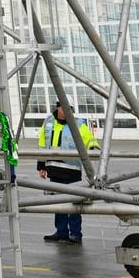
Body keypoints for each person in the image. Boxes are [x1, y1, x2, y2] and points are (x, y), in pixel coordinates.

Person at [37, 102, 96, 244]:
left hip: (72, 170)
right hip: (54, 169)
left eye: (70, 108)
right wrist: (41, 165)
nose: (67, 111)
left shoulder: (78, 124)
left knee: (74, 203)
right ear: (58, 106)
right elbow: (42, 144)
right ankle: (61, 232)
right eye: (65, 107)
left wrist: (94, 148)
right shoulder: (49, 122)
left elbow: (89, 139)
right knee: (58, 203)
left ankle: (75, 234)